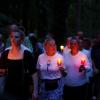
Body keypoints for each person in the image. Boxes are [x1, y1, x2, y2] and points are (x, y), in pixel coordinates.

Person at [0, 30, 38, 100]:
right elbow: (2, 72)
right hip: (8, 89)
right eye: (11, 37)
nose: (13, 39)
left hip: (22, 89)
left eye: (16, 37)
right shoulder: (6, 53)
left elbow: (34, 73)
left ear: (21, 39)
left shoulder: (26, 53)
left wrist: (35, 91)